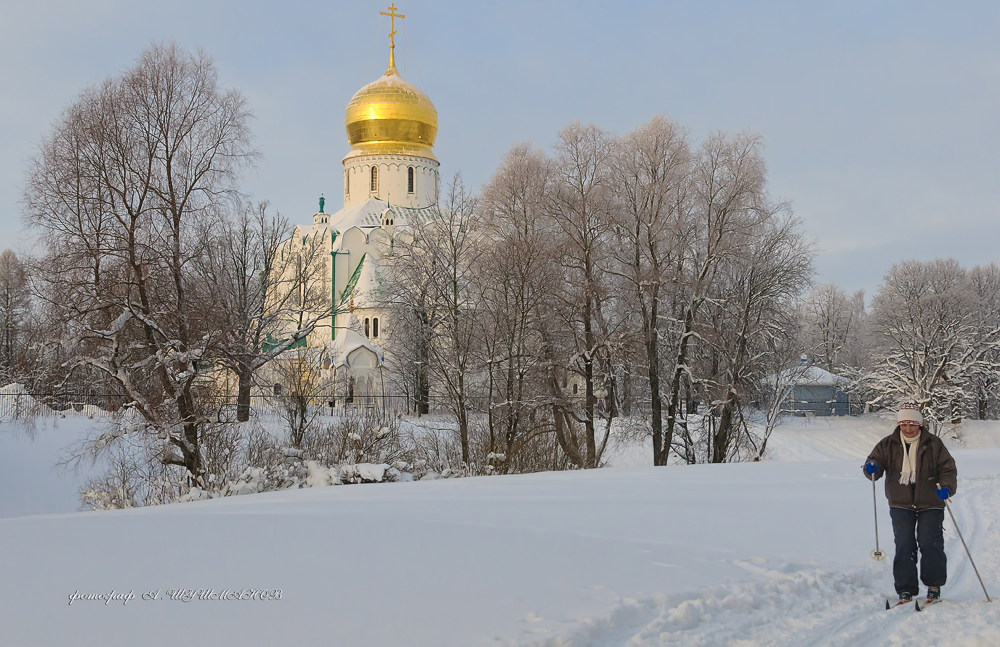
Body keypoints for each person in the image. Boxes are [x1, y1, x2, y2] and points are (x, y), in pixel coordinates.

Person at [863, 402, 957, 604]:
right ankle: (905, 589)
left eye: (912, 424)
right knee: (904, 545)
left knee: (929, 543)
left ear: (920, 424)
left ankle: (933, 586)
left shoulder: (934, 444)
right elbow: (875, 462)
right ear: (899, 424)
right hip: (900, 502)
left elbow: (948, 468)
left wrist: (947, 487)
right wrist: (871, 467)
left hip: (931, 501)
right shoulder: (888, 444)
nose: (908, 428)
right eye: (904, 424)